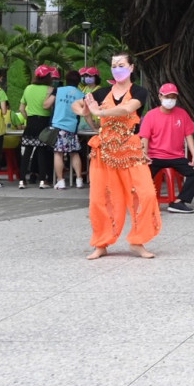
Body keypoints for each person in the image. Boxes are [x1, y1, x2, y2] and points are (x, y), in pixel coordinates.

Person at [78, 52, 161, 260]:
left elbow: (126, 109)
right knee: (100, 199)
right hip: (103, 151)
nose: (117, 68)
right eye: (114, 65)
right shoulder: (101, 93)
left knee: (145, 194)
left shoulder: (139, 92)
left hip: (131, 150)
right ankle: (101, 243)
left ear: (132, 68)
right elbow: (83, 109)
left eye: (122, 64)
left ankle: (137, 241)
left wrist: (100, 113)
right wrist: (86, 112)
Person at [140, 83, 194, 214]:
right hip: (155, 156)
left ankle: (180, 201)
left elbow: (189, 135)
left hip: (177, 156)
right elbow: (144, 137)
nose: (170, 100)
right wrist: (144, 153)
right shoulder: (151, 115)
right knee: (142, 175)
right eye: (167, 96)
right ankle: (146, 202)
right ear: (160, 97)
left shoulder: (182, 114)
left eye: (173, 97)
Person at [19, 65, 57, 189]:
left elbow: (21, 108)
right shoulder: (50, 89)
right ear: (48, 77)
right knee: (41, 152)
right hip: (43, 122)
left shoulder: (28, 88)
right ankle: (42, 180)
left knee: (27, 152)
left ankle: (21, 180)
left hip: (30, 121)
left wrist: (27, 118)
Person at [49, 70, 87, 189]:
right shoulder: (81, 95)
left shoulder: (58, 90)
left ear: (66, 80)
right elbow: (86, 113)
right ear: (78, 81)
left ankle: (61, 181)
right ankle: (79, 179)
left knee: (58, 153)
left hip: (58, 126)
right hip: (72, 127)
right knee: (74, 153)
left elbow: (46, 104)